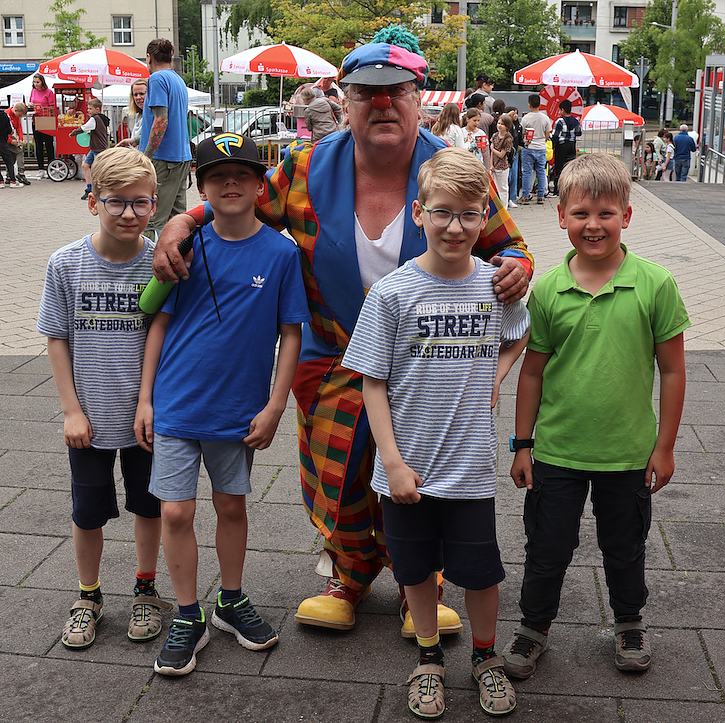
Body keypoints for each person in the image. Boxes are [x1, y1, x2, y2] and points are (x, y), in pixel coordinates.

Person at [150, 29, 532, 638]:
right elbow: (238, 201)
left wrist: (516, 266)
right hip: (331, 354)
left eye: (397, 92)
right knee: (335, 478)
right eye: (366, 94)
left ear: (419, 97)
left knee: (419, 472)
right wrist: (180, 225)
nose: (382, 105)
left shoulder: (449, 172)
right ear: (344, 102)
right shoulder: (304, 167)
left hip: (421, 362)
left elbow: (506, 242)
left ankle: (421, 584)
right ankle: (349, 574)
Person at [343, 147, 529, 718]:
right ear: (419, 212)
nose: (456, 226)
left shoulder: (496, 286)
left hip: (471, 467)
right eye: (443, 212)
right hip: (408, 467)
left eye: (470, 214)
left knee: (479, 571)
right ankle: (428, 659)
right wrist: (392, 463)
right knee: (417, 570)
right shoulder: (393, 293)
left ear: (483, 218)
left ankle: (484, 656)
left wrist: (494, 378)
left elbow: (521, 333)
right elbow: (372, 382)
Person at [502, 152, 689, 681]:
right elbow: (532, 372)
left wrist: (665, 446)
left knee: (625, 547)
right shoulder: (546, 290)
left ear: (627, 216)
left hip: (627, 453)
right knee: (547, 546)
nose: (593, 225)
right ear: (560, 215)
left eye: (606, 213)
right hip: (557, 451)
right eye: (581, 213)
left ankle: (629, 622)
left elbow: (672, 371)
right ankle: (534, 625)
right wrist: (522, 443)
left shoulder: (655, 284)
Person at [134, 133, 310, 676]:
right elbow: (158, 323)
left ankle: (230, 600)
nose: (230, 184)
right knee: (176, 509)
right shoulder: (182, 247)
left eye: (241, 176)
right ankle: (188, 615)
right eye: (216, 177)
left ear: (261, 185)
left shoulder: (282, 254)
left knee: (232, 505)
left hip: (239, 408)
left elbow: (291, 334)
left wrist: (276, 404)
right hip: (177, 403)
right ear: (201, 186)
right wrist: (145, 398)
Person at [36, 146, 169, 651]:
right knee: (87, 511)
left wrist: (150, 402)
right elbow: (57, 338)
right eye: (116, 202)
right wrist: (71, 409)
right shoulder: (65, 264)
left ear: (155, 204)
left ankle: (145, 589)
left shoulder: (161, 263)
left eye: (140, 203)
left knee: (148, 507)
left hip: (144, 418)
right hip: (87, 419)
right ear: (93, 202)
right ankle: (87, 596)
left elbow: (165, 339)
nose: (129, 213)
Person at [139, 38, 192, 238]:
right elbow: (173, 121)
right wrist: (136, 139)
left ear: (149, 57)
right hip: (181, 158)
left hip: (163, 160)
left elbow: (161, 121)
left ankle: (146, 268)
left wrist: (145, 157)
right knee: (177, 219)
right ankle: (181, 264)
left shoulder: (156, 79)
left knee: (150, 220)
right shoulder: (178, 80)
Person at [69, 98, 109, 201]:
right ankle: (89, 188)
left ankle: (100, 191)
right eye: (88, 108)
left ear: (97, 109)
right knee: (85, 165)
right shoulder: (103, 119)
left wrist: (73, 133)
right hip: (97, 147)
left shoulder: (94, 118)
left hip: (98, 148)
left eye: (90, 109)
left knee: (98, 171)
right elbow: (105, 132)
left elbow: (83, 128)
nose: (88, 110)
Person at [519, 93, 552, 206]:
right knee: (541, 172)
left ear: (529, 105)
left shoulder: (525, 118)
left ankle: (525, 196)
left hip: (528, 147)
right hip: (541, 147)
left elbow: (522, 134)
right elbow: (547, 134)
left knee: (527, 172)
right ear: (540, 104)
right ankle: (541, 196)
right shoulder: (545, 118)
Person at [550, 99, 582, 196]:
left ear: (562, 110)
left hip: (561, 146)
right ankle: (569, 189)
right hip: (572, 146)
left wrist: (553, 145)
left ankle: (558, 189)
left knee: (559, 167)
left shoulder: (560, 121)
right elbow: (579, 133)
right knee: (570, 167)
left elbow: (555, 135)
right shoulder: (576, 120)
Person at [29, 72, 56, 180]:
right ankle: (41, 168)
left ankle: (51, 167)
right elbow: (31, 102)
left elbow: (52, 106)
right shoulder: (33, 91)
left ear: (42, 82)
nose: (36, 84)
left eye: (37, 82)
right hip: (36, 119)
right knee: (38, 144)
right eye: (34, 82)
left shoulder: (49, 92)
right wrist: (31, 104)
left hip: (46, 119)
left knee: (48, 144)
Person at [490, 114, 514, 207]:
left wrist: (492, 149)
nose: (499, 125)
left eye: (502, 124)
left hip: (503, 167)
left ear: (507, 126)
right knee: (494, 188)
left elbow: (501, 155)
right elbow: (492, 153)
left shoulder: (508, 139)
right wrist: (491, 165)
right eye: (499, 123)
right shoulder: (495, 135)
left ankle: (504, 207)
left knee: (503, 188)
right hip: (494, 166)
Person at [4, 103, 31, 185]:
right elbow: (3, 130)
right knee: (19, 152)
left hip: (9, 136)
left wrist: (21, 138)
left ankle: (9, 176)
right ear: (15, 110)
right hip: (6, 138)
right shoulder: (6, 115)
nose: (19, 117)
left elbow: (19, 126)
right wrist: (10, 141)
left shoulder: (15, 115)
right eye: (19, 115)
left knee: (12, 155)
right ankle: (21, 173)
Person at [118, 80, 149, 149]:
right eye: (135, 94)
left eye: (141, 93)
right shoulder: (138, 116)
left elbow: (154, 135)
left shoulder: (153, 114)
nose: (138, 97)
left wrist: (134, 140)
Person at [0, 108, 22, 187]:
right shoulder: (4, 115)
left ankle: (0, 181)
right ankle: (12, 180)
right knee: (9, 161)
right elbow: (10, 129)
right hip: (2, 140)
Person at [505, 107, 523, 208]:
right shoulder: (506, 126)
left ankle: (512, 197)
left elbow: (519, 140)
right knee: (508, 176)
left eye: (516, 114)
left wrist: (526, 143)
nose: (515, 116)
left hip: (514, 153)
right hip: (506, 153)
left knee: (514, 176)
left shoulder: (518, 126)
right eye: (513, 114)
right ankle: (506, 198)